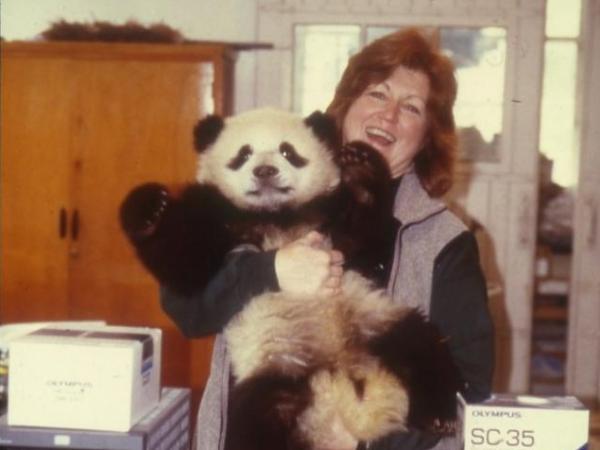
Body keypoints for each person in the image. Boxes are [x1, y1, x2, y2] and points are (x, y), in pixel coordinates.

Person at [161, 27, 494, 450]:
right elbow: (187, 307)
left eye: (410, 107)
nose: (388, 115)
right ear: (346, 104)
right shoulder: (274, 190)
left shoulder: (448, 242)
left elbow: (470, 387)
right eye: (376, 94)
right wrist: (273, 270)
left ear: (428, 135)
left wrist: (363, 438)